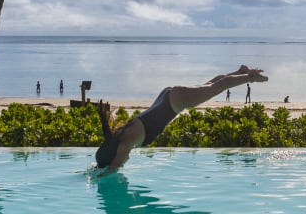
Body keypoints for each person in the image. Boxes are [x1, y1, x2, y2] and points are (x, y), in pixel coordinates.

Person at [94, 66, 268, 170]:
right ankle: (240, 71)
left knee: (217, 86)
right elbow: (114, 159)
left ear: (115, 153)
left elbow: (115, 166)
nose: (127, 160)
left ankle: (251, 76)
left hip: (173, 102)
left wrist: (101, 173)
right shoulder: (120, 135)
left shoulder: (125, 143)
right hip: (167, 96)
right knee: (211, 86)